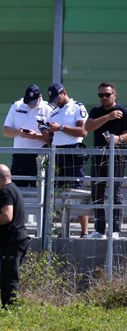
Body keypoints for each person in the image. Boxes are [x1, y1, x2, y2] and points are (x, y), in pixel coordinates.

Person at [0, 164, 29, 307]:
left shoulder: (5, 192)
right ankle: (8, 307)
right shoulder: (15, 189)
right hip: (19, 238)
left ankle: (10, 310)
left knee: (8, 279)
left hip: (12, 241)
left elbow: (7, 216)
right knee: (7, 277)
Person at [47, 82, 91, 237]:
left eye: (57, 97)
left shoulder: (77, 107)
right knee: (59, 192)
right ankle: (62, 230)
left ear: (63, 92)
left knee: (77, 192)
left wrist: (60, 128)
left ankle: (84, 231)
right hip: (57, 153)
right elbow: (52, 135)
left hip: (73, 152)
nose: (56, 101)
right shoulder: (53, 112)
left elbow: (83, 131)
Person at [84, 82, 127, 239]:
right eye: (101, 95)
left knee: (115, 192)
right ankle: (100, 229)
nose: (104, 98)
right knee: (97, 191)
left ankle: (115, 229)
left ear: (114, 95)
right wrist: (108, 117)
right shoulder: (96, 111)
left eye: (107, 95)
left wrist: (118, 139)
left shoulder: (123, 112)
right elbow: (88, 127)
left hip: (118, 156)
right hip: (99, 156)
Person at [1, 84, 54, 187]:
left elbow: (52, 139)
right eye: (28, 102)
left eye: (33, 102)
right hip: (19, 155)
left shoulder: (48, 109)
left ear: (40, 98)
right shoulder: (17, 105)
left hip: (39, 156)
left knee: (39, 189)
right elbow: (5, 130)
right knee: (17, 189)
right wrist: (19, 133)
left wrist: (36, 136)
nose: (30, 105)